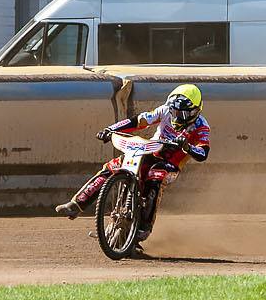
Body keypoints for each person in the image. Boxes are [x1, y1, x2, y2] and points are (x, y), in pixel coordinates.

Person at [55, 84, 210, 217]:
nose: (175, 116)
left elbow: (203, 153)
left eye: (181, 113)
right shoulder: (164, 110)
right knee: (113, 166)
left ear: (195, 111)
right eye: (173, 111)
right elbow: (138, 121)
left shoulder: (201, 126)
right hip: (150, 150)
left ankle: (144, 227)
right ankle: (76, 204)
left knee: (155, 177)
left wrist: (187, 147)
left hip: (170, 164)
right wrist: (109, 130)